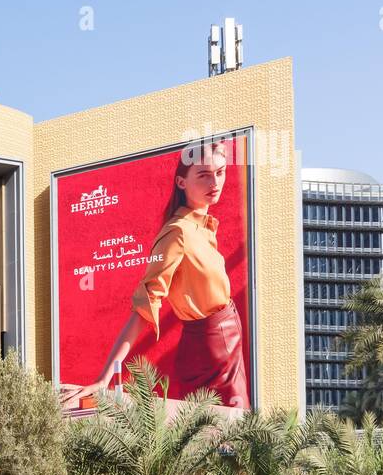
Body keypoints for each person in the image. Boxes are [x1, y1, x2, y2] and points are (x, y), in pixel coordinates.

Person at [61, 140, 249, 410]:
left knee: (227, 439)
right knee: (225, 438)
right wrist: (104, 378)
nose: (215, 183)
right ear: (182, 182)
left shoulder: (205, 228)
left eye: (220, 172)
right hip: (210, 350)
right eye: (204, 175)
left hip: (226, 345)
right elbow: (145, 304)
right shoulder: (178, 233)